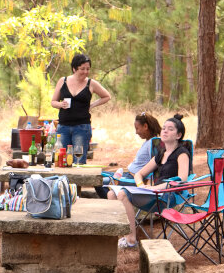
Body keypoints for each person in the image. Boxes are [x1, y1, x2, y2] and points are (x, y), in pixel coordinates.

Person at [107, 115, 190, 249]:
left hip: (169, 195)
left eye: (170, 129)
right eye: (163, 128)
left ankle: (131, 240)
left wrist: (156, 188)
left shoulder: (182, 153)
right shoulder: (161, 154)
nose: (164, 131)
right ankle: (123, 235)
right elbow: (140, 173)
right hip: (155, 192)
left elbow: (182, 179)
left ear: (178, 135)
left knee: (122, 194)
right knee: (112, 194)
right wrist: (141, 186)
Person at [51, 53, 111, 164]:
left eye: (88, 69)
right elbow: (53, 102)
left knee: (78, 162)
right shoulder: (62, 81)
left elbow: (107, 96)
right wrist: (61, 104)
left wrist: (92, 105)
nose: (85, 71)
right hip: (63, 127)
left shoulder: (91, 83)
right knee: (62, 161)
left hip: (82, 128)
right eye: (82, 69)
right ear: (74, 69)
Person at [95, 112, 162, 198]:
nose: (136, 132)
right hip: (127, 174)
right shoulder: (147, 142)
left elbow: (154, 166)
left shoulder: (153, 143)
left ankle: (112, 204)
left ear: (145, 126)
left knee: (97, 181)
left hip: (132, 179)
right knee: (96, 174)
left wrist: (146, 182)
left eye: (137, 128)